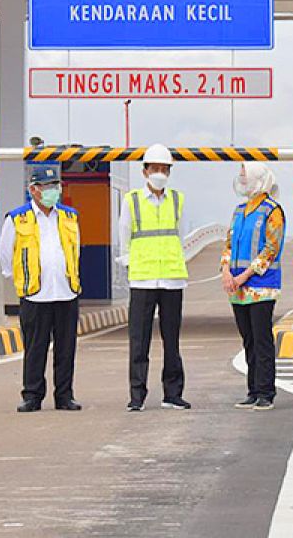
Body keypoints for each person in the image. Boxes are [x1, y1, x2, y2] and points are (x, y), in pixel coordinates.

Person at [0, 166, 83, 413]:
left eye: (56, 186)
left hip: (66, 291)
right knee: (36, 348)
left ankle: (64, 396)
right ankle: (32, 395)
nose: (53, 191)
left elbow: (75, 249)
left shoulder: (69, 216)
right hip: (35, 293)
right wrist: (18, 280)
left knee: (66, 349)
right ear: (33, 189)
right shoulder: (17, 218)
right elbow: (5, 253)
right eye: (47, 187)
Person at [119, 143, 191, 412]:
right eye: (155, 168)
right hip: (142, 280)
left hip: (172, 279)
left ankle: (173, 394)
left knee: (172, 341)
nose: (160, 173)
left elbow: (180, 237)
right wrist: (131, 267)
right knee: (139, 342)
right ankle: (137, 396)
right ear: (145, 171)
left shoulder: (178, 199)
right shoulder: (132, 201)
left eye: (164, 169)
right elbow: (124, 238)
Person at [221, 161, 283, 411]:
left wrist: (243, 276)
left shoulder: (272, 211)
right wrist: (226, 271)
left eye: (245, 176)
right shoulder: (239, 211)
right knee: (248, 340)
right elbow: (228, 243)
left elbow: (271, 249)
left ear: (259, 180)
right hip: (237, 288)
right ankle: (253, 389)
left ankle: (266, 391)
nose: (241, 180)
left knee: (262, 340)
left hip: (260, 286)